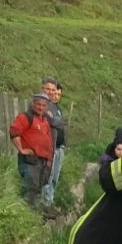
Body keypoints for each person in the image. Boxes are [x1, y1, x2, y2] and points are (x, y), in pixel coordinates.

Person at [10, 92, 55, 208]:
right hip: (30, 161)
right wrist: (21, 149)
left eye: (43, 105)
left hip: (43, 163)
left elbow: (49, 142)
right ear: (33, 104)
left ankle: (34, 218)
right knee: (29, 190)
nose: (40, 107)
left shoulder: (45, 121)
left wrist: (49, 161)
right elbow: (14, 131)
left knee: (38, 190)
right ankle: (24, 216)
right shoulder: (25, 117)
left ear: (47, 107)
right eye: (38, 104)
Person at [41, 78, 67, 209]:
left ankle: (50, 202)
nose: (54, 95)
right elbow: (54, 122)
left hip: (59, 147)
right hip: (50, 147)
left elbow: (60, 123)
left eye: (57, 93)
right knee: (48, 176)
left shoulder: (57, 108)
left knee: (55, 177)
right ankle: (45, 204)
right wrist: (56, 121)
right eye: (51, 91)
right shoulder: (44, 106)